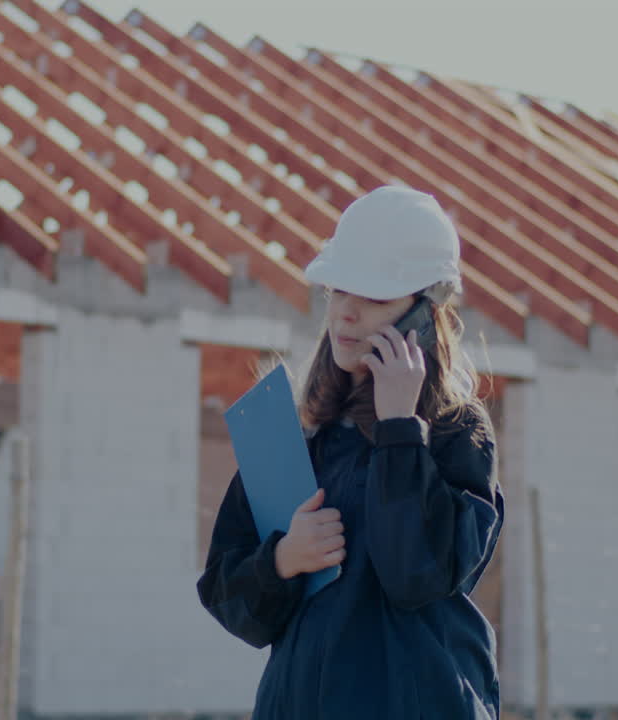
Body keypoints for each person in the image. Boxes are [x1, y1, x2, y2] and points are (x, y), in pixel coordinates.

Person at [196, 185, 504, 719]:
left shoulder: (457, 432)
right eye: (338, 292)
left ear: (424, 314)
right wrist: (283, 560)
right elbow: (227, 595)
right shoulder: (298, 432)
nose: (346, 314)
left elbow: (416, 575)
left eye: (375, 298)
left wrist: (400, 428)